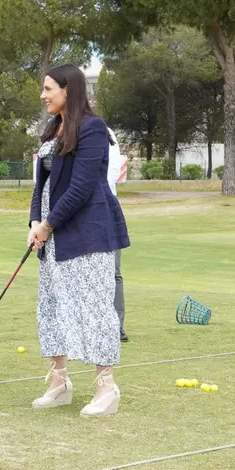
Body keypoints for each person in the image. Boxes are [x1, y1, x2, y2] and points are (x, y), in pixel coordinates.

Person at [27, 64, 131, 417]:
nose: (43, 95)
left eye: (48, 89)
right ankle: (60, 383)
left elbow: (83, 187)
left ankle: (106, 387)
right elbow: (41, 186)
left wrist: (49, 224)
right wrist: (34, 222)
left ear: (67, 90)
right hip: (52, 234)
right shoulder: (53, 129)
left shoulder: (93, 128)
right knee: (53, 305)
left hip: (87, 232)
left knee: (94, 307)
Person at [106, 126, 129, 343]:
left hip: (107, 208)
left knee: (114, 272)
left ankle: (116, 326)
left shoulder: (106, 132)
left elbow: (112, 173)